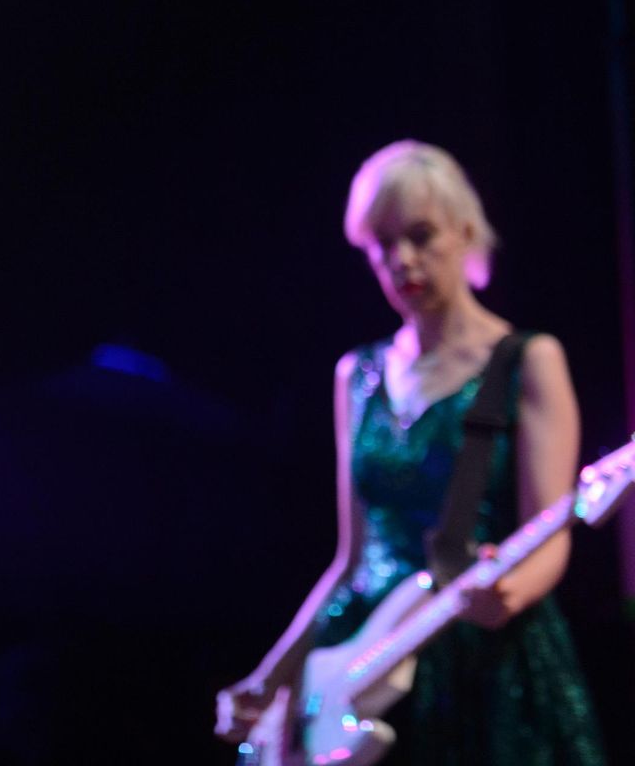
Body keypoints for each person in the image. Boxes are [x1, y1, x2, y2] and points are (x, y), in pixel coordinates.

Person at [215, 140, 606, 765]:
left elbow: (552, 532)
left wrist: (508, 594)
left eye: (420, 236)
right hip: (364, 658)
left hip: (484, 662)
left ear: (465, 231)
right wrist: (272, 675)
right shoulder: (359, 374)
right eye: (382, 246)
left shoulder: (526, 360)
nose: (401, 260)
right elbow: (351, 559)